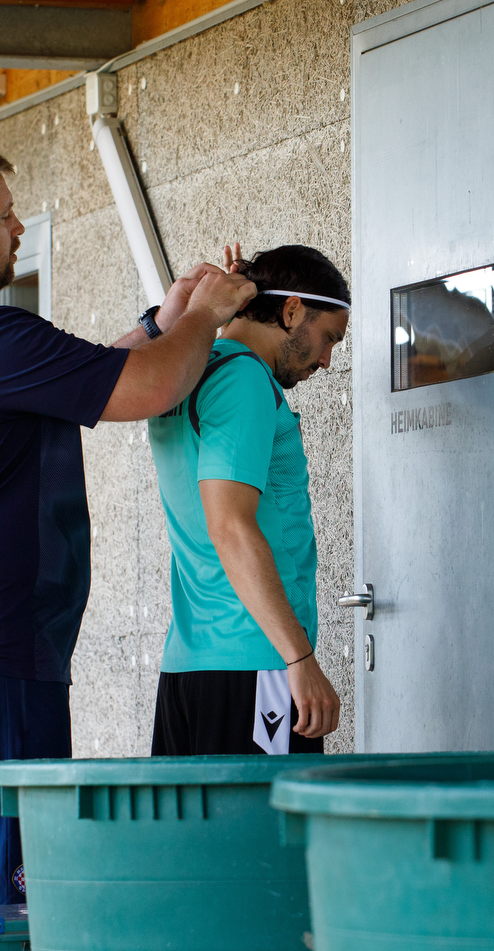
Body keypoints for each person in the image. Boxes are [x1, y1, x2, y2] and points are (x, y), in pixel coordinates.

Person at [0, 143, 256, 909]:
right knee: (0, 898)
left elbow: (85, 371)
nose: (16, 227)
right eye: (2, 215)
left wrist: (163, 318)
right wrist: (208, 316)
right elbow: (149, 387)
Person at [146, 244, 350, 755]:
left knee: (195, 836)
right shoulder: (243, 379)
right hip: (254, 663)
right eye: (329, 338)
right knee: (262, 837)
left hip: (189, 668)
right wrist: (299, 660)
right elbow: (230, 525)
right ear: (292, 309)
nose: (326, 361)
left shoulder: (183, 370)